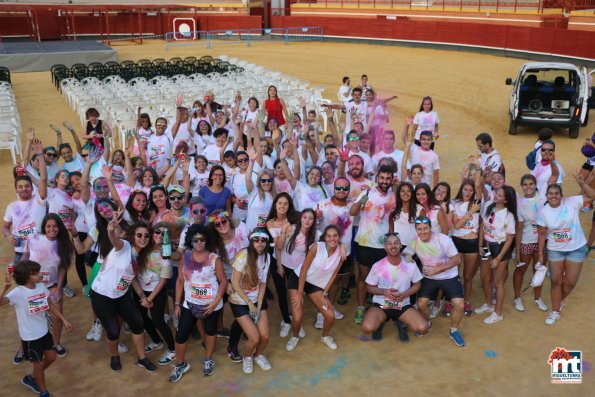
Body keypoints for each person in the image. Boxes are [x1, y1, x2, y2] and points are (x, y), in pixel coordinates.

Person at [87, 218, 157, 372]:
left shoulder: (140, 256)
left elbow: (130, 278)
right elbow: (115, 240)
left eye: (146, 236)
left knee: (138, 325)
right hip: (102, 294)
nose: (143, 238)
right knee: (113, 330)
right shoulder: (124, 246)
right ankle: (114, 356)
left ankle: (142, 358)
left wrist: (142, 297)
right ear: (133, 236)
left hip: (122, 294)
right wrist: (111, 230)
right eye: (139, 235)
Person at [1, 260, 73, 397]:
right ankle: (43, 392)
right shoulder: (18, 293)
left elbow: (50, 305)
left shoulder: (41, 287)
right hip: (30, 337)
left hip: (44, 332)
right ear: (27, 276)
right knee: (39, 365)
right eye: (36, 273)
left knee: (52, 357)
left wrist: (63, 319)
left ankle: (32, 378)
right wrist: (5, 287)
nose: (40, 275)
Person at [169, 224, 227, 381]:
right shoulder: (185, 257)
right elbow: (180, 281)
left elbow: (223, 281)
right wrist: (177, 304)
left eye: (202, 239)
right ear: (190, 241)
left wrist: (215, 302)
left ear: (207, 240)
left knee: (210, 332)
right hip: (189, 304)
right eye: (195, 240)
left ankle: (208, 360)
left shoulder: (214, 258)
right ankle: (180, 364)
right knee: (181, 335)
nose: (199, 242)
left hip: (211, 305)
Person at [536, 175, 595, 325]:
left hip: (576, 248)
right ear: (547, 196)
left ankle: (560, 299)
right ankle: (555, 310)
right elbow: (542, 234)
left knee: (569, 282)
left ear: (561, 195)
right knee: (556, 281)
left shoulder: (572, 202)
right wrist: (540, 255)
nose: (553, 196)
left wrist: (582, 184)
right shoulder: (543, 212)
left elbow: (592, 196)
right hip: (555, 250)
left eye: (556, 193)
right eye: (551, 193)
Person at [403, 216, 465, 347]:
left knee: (459, 305)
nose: (423, 232)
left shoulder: (443, 239)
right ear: (416, 230)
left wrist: (438, 269)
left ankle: (453, 330)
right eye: (419, 229)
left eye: (425, 228)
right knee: (421, 303)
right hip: (429, 278)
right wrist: (408, 257)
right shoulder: (415, 241)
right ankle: (427, 323)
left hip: (449, 276)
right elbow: (405, 254)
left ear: (431, 228)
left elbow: (457, 259)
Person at [22, 214, 74, 357]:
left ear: (60, 227)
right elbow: (25, 256)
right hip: (31, 286)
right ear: (44, 227)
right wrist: (19, 272)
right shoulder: (33, 239)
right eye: (49, 226)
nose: (52, 229)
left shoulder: (64, 244)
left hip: (51, 285)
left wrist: (58, 290)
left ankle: (56, 343)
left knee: (58, 316)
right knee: (29, 317)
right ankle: (23, 348)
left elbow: (63, 267)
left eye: (55, 226)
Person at [286, 225, 345, 351]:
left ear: (339, 237)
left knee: (330, 315)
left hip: (316, 285)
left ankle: (325, 336)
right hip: (298, 280)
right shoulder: (317, 247)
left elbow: (334, 274)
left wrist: (325, 293)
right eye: (329, 236)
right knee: (297, 317)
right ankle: (295, 336)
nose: (332, 239)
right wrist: (300, 293)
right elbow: (303, 269)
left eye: (335, 235)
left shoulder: (341, 253)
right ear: (325, 237)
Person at [349, 165, 395, 325]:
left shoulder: (392, 195)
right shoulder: (367, 193)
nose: (384, 181)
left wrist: (390, 240)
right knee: (363, 277)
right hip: (365, 243)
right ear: (377, 178)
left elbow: (390, 219)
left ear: (391, 179)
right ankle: (361, 307)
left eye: (388, 178)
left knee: (383, 279)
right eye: (382, 178)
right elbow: (353, 212)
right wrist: (361, 201)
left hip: (383, 246)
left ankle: (381, 308)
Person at [360, 233, 428, 340]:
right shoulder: (378, 266)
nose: (393, 246)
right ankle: (380, 322)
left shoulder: (410, 263)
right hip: (382, 304)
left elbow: (417, 284)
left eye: (396, 243)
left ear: (401, 245)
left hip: (403, 304)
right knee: (367, 328)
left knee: (423, 328)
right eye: (389, 243)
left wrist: (404, 294)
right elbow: (369, 287)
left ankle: (400, 321)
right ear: (385, 247)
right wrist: (384, 292)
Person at [229, 228, 272, 374]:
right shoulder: (243, 255)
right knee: (254, 338)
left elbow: (263, 283)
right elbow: (234, 282)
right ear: (251, 240)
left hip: (257, 299)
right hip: (240, 301)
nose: (260, 243)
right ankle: (247, 357)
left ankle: (258, 355)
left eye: (263, 240)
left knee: (265, 336)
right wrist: (249, 303)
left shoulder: (267, 257)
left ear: (266, 242)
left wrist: (259, 306)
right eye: (256, 240)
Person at [135, 222, 176, 366]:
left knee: (158, 320)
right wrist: (142, 297)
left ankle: (172, 349)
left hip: (156, 293)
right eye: (157, 232)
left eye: (165, 233)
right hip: (140, 291)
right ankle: (156, 341)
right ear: (152, 233)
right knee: (142, 318)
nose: (160, 235)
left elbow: (163, 282)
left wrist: (149, 298)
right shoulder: (143, 248)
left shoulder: (166, 255)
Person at [475, 186, 517, 324]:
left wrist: (498, 258)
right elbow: (482, 226)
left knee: (498, 283)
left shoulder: (509, 216)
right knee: (484, 277)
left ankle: (498, 313)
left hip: (500, 248)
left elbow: (510, 239)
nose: (495, 196)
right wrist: (480, 245)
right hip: (487, 245)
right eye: (496, 193)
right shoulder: (489, 206)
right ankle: (488, 304)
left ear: (506, 200)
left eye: (499, 195)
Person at [3, 139, 48, 267]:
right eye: (20, 187)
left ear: (33, 188)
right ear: (16, 189)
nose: (24, 189)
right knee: (22, 282)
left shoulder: (39, 200)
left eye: (27, 186)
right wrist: (8, 235)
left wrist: (40, 155)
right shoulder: (11, 207)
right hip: (19, 251)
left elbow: (43, 180)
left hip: (40, 249)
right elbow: (5, 227)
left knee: (45, 278)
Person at [513, 175, 548, 313]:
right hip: (526, 241)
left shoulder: (543, 198)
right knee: (521, 270)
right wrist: (517, 249)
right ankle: (517, 298)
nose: (528, 187)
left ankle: (538, 298)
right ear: (522, 186)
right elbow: (519, 228)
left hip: (542, 242)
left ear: (535, 185)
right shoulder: (520, 204)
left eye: (531, 184)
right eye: (525, 184)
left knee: (539, 270)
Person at [451, 174, 482, 316]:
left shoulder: (477, 202)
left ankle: (467, 301)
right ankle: (453, 301)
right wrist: (470, 212)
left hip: (471, 243)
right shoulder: (454, 204)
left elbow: (478, 186)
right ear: (461, 190)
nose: (468, 193)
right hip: (456, 242)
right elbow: (457, 225)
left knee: (468, 276)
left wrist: (477, 169)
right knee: (454, 275)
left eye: (471, 190)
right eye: (465, 190)